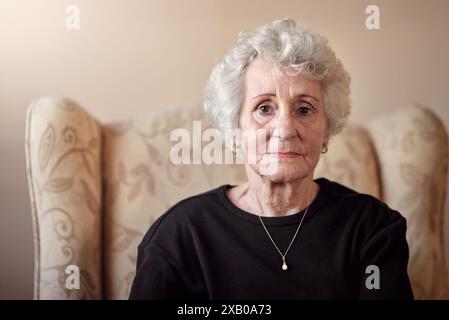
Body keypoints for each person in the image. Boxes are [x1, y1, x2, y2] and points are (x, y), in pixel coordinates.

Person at [129, 18, 414, 300]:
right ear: (234, 131)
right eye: (264, 108)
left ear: (326, 131)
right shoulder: (179, 236)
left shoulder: (373, 229)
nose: (286, 129)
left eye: (304, 110)